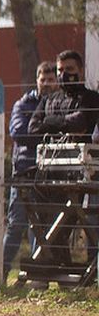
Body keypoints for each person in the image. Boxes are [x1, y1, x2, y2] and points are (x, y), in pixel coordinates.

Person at [28, 49, 99, 268]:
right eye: (60, 70)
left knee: (75, 222)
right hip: (50, 174)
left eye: (69, 69)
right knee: (48, 225)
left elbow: (81, 122)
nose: (64, 74)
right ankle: (63, 272)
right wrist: (63, 122)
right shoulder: (50, 98)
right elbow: (33, 128)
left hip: (82, 175)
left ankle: (87, 271)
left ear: (80, 71)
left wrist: (51, 122)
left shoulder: (91, 97)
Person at [3, 60, 57, 279]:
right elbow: (18, 132)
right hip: (25, 171)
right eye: (42, 79)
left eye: (50, 80)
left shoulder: (61, 102)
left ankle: (36, 276)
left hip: (52, 173)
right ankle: (0, 272)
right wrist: (50, 126)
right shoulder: (23, 104)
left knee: (43, 227)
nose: (46, 83)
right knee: (16, 225)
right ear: (37, 80)